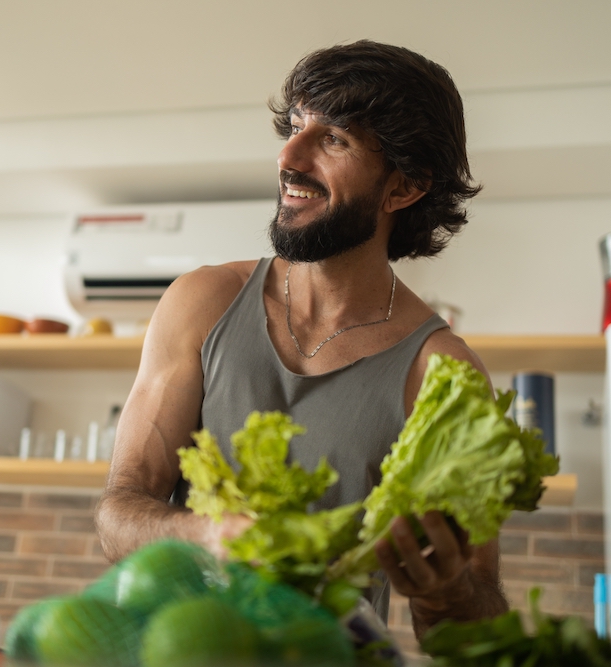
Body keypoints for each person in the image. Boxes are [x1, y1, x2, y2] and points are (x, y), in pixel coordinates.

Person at [96, 40, 508, 639]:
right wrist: (208, 535)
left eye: (334, 138)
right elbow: (117, 516)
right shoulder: (203, 302)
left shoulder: (441, 373)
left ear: (404, 188)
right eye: (293, 126)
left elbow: (473, 631)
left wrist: (447, 592)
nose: (289, 158)